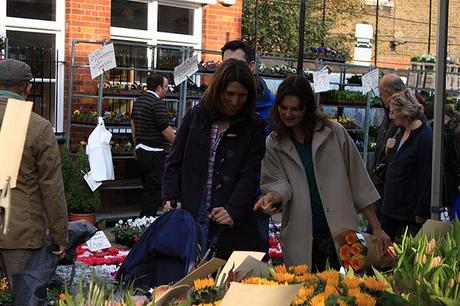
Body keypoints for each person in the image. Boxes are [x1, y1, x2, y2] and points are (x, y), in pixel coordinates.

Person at [254, 76, 390, 271]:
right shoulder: (274, 143)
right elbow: (278, 183)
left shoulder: (335, 133)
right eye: (283, 108)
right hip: (301, 233)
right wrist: (271, 197)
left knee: (343, 293)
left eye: (295, 109)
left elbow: (359, 182)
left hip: (341, 232)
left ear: (307, 108)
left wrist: (376, 227)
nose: (288, 114)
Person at [162, 59, 266, 260]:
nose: (235, 101)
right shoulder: (195, 116)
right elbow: (174, 160)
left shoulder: (254, 126)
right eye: (230, 94)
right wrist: (171, 197)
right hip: (191, 211)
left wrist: (234, 210)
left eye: (241, 96)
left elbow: (250, 173)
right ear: (218, 90)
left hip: (228, 220)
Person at [0, 59, 68, 295]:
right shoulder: (37, 126)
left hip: (17, 230)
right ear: (28, 88)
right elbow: (51, 187)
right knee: (23, 296)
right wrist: (60, 234)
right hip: (19, 232)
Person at [221, 40, 275, 253]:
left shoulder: (272, 108)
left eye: (236, 63)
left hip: (255, 198)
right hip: (221, 197)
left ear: (251, 66)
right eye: (225, 64)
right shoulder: (211, 107)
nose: (229, 70)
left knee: (252, 261)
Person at [380, 88, 433, 241]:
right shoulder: (400, 131)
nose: (390, 116)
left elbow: (427, 176)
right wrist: (387, 151)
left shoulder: (425, 137)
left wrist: (422, 211)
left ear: (404, 112)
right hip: (391, 206)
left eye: (392, 112)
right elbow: (396, 163)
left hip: (407, 212)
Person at [131, 73, 175, 217]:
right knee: (154, 192)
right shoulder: (157, 104)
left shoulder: (139, 101)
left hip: (141, 151)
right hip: (154, 153)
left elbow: (133, 124)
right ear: (158, 88)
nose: (167, 89)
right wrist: (180, 144)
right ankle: (146, 224)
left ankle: (143, 223)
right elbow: (165, 130)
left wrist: (136, 145)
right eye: (166, 86)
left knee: (147, 189)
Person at [221, 40, 275, 123]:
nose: (231, 69)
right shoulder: (209, 101)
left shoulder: (272, 104)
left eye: (238, 64)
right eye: (226, 64)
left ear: (251, 66)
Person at [371, 73, 406, 197]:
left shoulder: (404, 117)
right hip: (382, 181)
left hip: (392, 186)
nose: (380, 97)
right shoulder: (388, 113)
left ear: (390, 93)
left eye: (381, 93)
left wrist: (388, 152)